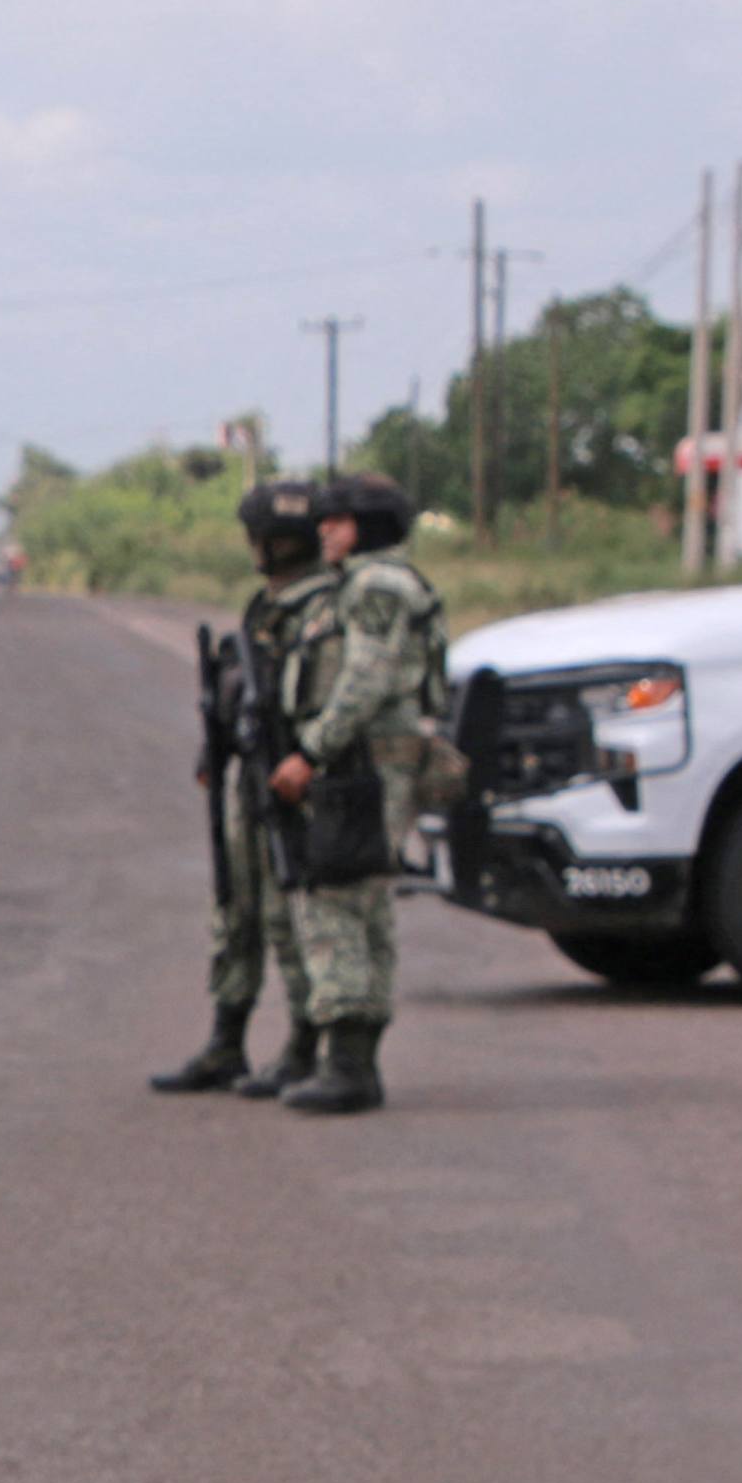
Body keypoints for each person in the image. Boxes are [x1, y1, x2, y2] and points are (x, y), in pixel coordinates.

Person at [264, 471, 444, 1114]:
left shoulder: (376, 586)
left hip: (364, 760)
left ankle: (349, 1064)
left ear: (364, 526)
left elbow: (365, 678)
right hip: (369, 756)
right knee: (361, 903)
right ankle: (353, 1061)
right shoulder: (367, 583)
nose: (322, 531)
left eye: (335, 521)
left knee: (336, 899)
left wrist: (312, 751)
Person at [150, 477, 333, 1097]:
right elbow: (244, 686)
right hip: (251, 776)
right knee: (235, 911)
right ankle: (227, 1041)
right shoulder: (268, 604)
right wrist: (217, 745)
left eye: (263, 537)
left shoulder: (324, 606)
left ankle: (304, 1046)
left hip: (295, 782)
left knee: (288, 916)